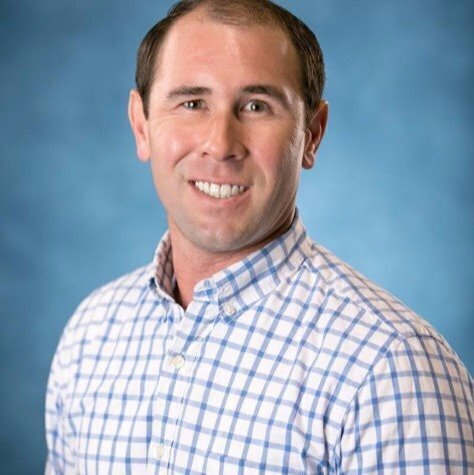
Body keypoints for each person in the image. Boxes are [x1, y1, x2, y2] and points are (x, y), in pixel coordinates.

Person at [45, 0, 473, 473]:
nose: (220, 144)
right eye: (192, 103)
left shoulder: (391, 368)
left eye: (256, 106)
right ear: (141, 125)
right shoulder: (90, 335)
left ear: (312, 134)